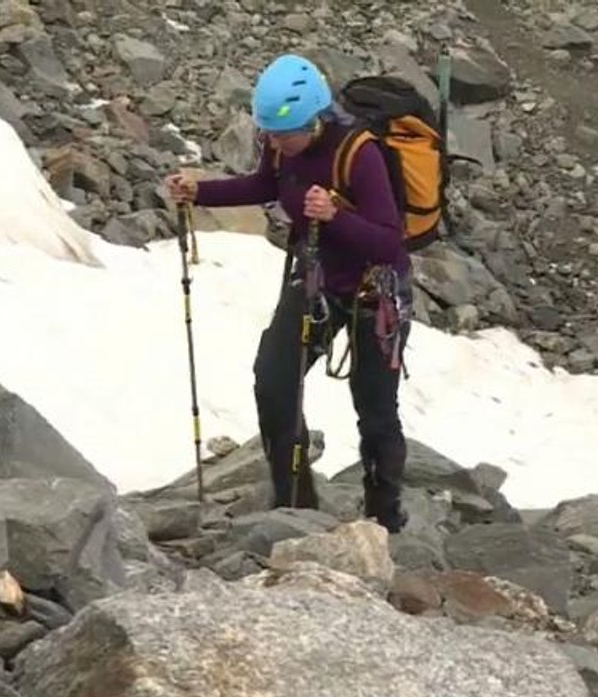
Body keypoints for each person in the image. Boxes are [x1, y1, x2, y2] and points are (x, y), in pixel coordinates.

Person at [163, 54, 413, 533]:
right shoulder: (283, 146)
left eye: (284, 135)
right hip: (317, 278)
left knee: (375, 408)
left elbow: (388, 240)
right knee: (274, 379)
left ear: (315, 121)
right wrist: (201, 191)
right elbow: (265, 184)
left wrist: (336, 216)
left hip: (374, 293)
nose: (274, 144)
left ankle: (384, 519)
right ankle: (294, 505)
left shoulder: (359, 153)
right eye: (270, 135)